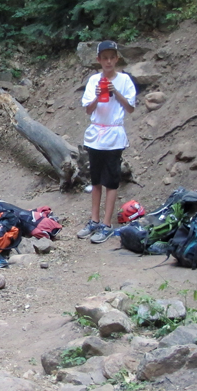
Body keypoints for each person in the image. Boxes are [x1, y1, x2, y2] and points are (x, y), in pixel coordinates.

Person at [76, 41, 136, 244]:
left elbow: (130, 108)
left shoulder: (125, 80)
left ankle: (107, 223)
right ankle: (94, 220)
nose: (108, 61)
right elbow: (88, 109)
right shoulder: (94, 80)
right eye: (105, 58)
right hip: (96, 135)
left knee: (111, 180)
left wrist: (115, 92)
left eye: (112, 57)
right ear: (99, 60)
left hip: (114, 135)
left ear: (117, 59)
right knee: (95, 180)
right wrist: (97, 96)